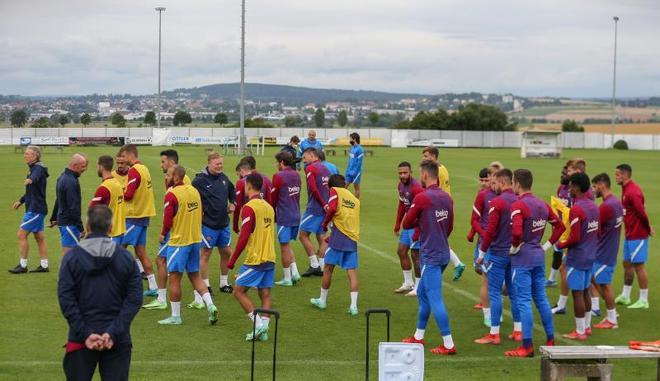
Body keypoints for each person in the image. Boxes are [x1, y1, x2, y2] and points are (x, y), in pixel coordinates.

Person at [58, 205, 142, 381]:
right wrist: (113, 332)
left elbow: (66, 298)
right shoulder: (126, 258)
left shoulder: (71, 258)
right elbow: (134, 300)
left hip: (80, 339)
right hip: (117, 339)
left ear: (87, 226)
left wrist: (85, 333)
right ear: (110, 227)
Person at [505, 169, 565, 357]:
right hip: (538, 258)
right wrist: (545, 246)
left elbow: (516, 233)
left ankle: (527, 346)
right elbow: (560, 226)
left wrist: (514, 248)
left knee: (523, 301)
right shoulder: (542, 204)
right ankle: (550, 339)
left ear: (517, 184)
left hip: (522, 259)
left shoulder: (518, 205)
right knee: (541, 299)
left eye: (513, 182)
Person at [401, 160, 456, 355]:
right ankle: (418, 336)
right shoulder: (447, 198)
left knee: (434, 297)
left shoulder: (422, 197)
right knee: (424, 294)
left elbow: (407, 223)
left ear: (425, 174)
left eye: (420, 173)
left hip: (430, 254)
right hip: (443, 252)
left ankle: (449, 344)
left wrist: (420, 220)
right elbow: (449, 226)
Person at [158, 166, 218, 325]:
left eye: (169, 175)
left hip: (179, 242)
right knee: (195, 276)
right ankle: (211, 305)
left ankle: (175, 316)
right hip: (195, 240)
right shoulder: (194, 191)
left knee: (175, 279)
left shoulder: (172, 195)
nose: (166, 177)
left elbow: (168, 220)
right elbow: (201, 213)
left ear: (176, 177)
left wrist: (163, 234)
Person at [475, 168, 522, 345]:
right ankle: (518, 331)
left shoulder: (497, 202)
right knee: (513, 292)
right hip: (514, 254)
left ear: (502, 182)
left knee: (494, 292)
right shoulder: (519, 200)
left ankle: (494, 334)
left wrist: (481, 253)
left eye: (494, 182)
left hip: (497, 253)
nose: (493, 185)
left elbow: (490, 231)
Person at [227, 173, 277, 342]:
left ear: (248, 186)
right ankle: (264, 330)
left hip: (256, 258)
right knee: (265, 294)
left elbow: (244, 236)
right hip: (270, 256)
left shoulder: (249, 207)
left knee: (238, 291)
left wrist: (232, 260)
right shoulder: (268, 207)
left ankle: (258, 326)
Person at [555, 172, 599, 340]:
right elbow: (596, 232)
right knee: (586, 290)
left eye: (571, 186)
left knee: (577, 294)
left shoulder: (577, 209)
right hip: (590, 255)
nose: (569, 189)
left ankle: (579, 332)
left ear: (577, 187)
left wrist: (560, 244)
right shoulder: (594, 206)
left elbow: (575, 237)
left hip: (578, 256)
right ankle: (587, 327)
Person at [310, 174, 361, 315]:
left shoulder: (335, 191)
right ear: (344, 185)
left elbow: (332, 208)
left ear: (330, 186)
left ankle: (322, 300)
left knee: (327, 269)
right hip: (351, 239)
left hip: (338, 239)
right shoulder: (354, 199)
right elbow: (347, 220)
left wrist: (325, 223)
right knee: (351, 272)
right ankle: (354, 306)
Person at [550, 158, 593, 315]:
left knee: (579, 290)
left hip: (578, 247)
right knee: (569, 273)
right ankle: (583, 320)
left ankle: (583, 325)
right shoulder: (589, 203)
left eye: (570, 171)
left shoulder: (584, 201)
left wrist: (560, 244)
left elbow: (578, 233)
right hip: (587, 247)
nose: (567, 173)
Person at [193, 151, 236, 302]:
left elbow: (233, 191)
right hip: (208, 225)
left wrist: (233, 203)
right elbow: (192, 198)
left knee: (226, 252)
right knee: (205, 254)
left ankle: (224, 283)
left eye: (221, 163)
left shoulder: (224, 178)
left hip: (223, 224)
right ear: (209, 163)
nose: (220, 166)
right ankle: (205, 285)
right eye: (217, 164)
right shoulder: (199, 181)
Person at [421, 146, 466, 281]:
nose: (424, 158)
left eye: (426, 156)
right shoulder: (443, 168)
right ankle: (457, 263)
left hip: (438, 207)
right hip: (446, 206)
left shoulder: (436, 172)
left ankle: (456, 263)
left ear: (434, 156)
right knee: (440, 238)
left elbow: (432, 188)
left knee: (436, 239)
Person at [119, 144, 158, 297]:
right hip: (144, 215)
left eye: (124, 156)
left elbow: (128, 194)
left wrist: (118, 192)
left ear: (130, 154)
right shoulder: (144, 168)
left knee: (117, 249)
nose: (123, 159)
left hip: (134, 216)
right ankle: (153, 286)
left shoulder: (134, 170)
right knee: (141, 253)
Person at [614, 164, 653, 309]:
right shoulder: (625, 189)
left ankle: (643, 300)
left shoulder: (633, 191)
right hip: (630, 234)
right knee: (627, 264)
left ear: (625, 175)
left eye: (617, 174)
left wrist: (648, 228)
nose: (615, 177)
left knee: (639, 266)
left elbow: (642, 212)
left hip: (638, 234)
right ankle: (625, 295)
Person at [10, 146, 50, 274]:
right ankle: (44, 266)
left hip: (35, 210)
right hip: (37, 208)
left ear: (35, 156)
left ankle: (23, 266)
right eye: (25, 153)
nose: (25, 155)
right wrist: (21, 201)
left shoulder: (37, 168)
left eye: (27, 154)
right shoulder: (34, 168)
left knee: (21, 235)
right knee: (39, 238)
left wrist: (30, 179)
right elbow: (31, 191)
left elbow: (36, 177)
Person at [590, 173, 623, 329]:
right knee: (595, 279)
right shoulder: (615, 202)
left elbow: (594, 229)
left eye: (594, 186)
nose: (593, 190)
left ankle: (612, 319)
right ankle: (611, 313)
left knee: (604, 285)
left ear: (602, 185)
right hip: (609, 249)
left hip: (603, 252)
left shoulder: (605, 207)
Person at [467, 167, 496, 326]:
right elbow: (475, 219)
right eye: (484, 179)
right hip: (485, 243)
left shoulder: (504, 196)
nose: (487, 182)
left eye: (489, 178)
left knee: (493, 280)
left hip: (499, 245)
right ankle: (488, 315)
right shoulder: (483, 196)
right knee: (485, 275)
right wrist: (479, 234)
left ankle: (492, 313)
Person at [271, 151, 303, 286]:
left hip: (284, 216)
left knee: (283, 246)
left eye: (277, 162)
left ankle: (287, 278)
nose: (276, 165)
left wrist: (272, 214)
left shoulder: (278, 176)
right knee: (287, 244)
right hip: (296, 214)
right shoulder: (297, 175)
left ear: (282, 162)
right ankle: (294, 272)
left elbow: (273, 198)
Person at [299, 147, 331, 277]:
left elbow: (313, 189)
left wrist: (323, 204)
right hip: (326, 206)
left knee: (302, 234)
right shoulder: (325, 168)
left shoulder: (310, 169)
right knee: (321, 236)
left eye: (305, 156)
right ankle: (322, 266)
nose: (303, 159)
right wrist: (328, 204)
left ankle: (314, 265)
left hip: (316, 208)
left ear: (312, 155)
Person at [393, 162, 424, 295]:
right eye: (400, 173)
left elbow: (423, 211)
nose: (402, 175)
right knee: (401, 251)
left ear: (411, 172)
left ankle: (418, 287)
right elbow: (402, 205)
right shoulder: (400, 185)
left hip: (417, 225)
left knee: (416, 255)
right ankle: (408, 283)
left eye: (405, 173)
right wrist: (397, 224)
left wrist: (418, 230)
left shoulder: (417, 188)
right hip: (408, 224)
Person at [49, 154, 88, 255]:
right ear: (75, 165)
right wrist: (81, 228)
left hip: (64, 222)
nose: (85, 169)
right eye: (83, 166)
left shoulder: (62, 177)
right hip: (70, 224)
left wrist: (53, 218)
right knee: (69, 256)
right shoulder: (71, 181)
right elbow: (73, 207)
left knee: (71, 256)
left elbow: (59, 200)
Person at [89, 155, 126, 245]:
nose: (97, 168)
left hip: (110, 235)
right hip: (120, 232)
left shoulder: (104, 188)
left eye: (97, 166)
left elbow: (91, 210)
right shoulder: (117, 183)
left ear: (101, 166)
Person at [233, 156, 272, 234]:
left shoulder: (242, 182)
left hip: (249, 220)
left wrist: (235, 226)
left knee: (250, 244)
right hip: (265, 221)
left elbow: (237, 206)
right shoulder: (266, 179)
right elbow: (270, 202)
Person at [546, 165, 570, 287]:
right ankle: (552, 279)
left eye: (565, 173)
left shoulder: (575, 190)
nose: (561, 175)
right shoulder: (561, 188)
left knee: (567, 259)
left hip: (571, 229)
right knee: (557, 251)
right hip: (561, 227)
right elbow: (557, 208)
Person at [345, 132, 364, 198]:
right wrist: (347, 170)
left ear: (354, 139)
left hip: (356, 172)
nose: (349, 140)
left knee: (356, 189)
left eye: (350, 138)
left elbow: (359, 163)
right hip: (349, 171)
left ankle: (356, 204)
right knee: (344, 186)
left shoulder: (360, 149)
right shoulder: (351, 148)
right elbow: (350, 160)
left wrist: (355, 172)